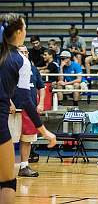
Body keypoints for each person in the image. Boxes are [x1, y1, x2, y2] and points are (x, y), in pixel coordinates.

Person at [0, 13, 56, 204]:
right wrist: (45, 131)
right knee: (7, 183)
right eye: (24, 28)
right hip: (1, 122)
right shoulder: (20, 60)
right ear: (18, 32)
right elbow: (25, 99)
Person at [15, 45, 45, 177]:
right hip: (13, 109)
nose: (25, 54)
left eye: (26, 52)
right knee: (7, 139)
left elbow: (41, 87)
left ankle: (24, 166)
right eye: (22, 52)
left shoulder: (33, 69)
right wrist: (9, 103)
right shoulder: (10, 68)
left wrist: (41, 103)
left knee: (27, 139)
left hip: (30, 109)